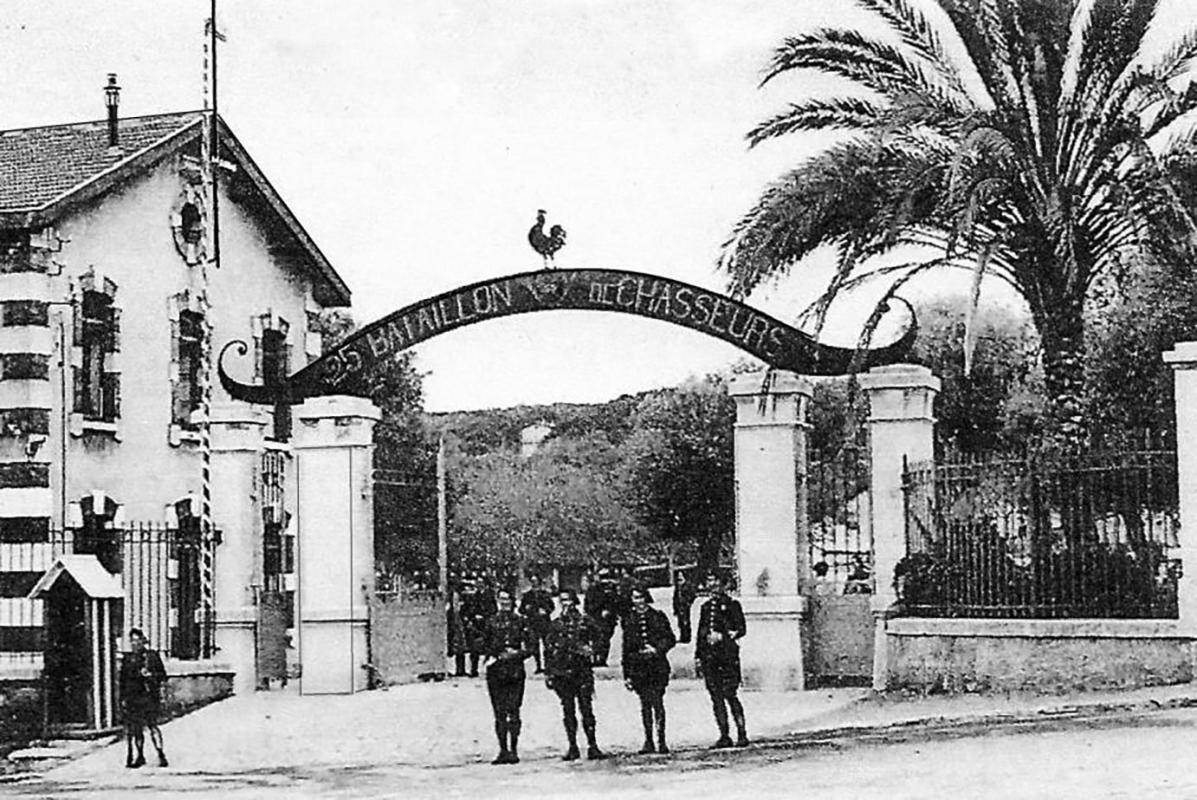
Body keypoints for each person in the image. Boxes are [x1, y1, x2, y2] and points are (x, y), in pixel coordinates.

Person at [544, 588, 607, 761]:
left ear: (575, 602)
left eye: (569, 600)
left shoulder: (585, 621)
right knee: (568, 710)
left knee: (586, 709)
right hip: (562, 672)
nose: (566, 604)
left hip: (582, 671)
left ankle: (592, 745)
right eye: (562, 601)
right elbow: (548, 650)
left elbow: (601, 638)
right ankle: (572, 746)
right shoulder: (555, 624)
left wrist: (593, 650)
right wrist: (549, 673)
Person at [621, 585, 677, 754]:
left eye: (640, 597)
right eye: (634, 598)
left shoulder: (657, 617)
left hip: (657, 666)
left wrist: (657, 649)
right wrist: (627, 675)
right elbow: (626, 649)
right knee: (645, 704)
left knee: (658, 703)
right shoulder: (629, 620)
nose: (638, 601)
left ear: (647, 598)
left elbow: (670, 639)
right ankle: (648, 740)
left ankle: (662, 740)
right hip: (639, 668)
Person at [695, 572, 748, 748]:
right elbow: (700, 634)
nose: (712, 584)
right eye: (709, 580)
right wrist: (698, 657)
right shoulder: (705, 607)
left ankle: (742, 733)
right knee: (716, 697)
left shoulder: (732, 605)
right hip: (710, 658)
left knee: (730, 695)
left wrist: (723, 636)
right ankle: (724, 735)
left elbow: (740, 629)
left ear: (724, 584)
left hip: (727, 657)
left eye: (715, 581)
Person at [482, 589, 533, 765]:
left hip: (515, 671)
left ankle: (514, 749)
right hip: (496, 671)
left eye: (507, 600)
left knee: (514, 709)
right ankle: (503, 749)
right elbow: (482, 643)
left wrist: (516, 654)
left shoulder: (521, 622)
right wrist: (494, 653)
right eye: (501, 600)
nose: (504, 603)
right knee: (499, 711)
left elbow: (531, 647)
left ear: (513, 602)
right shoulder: (491, 622)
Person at [119, 628, 168, 768]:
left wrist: (151, 675)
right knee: (136, 728)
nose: (134, 644)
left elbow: (162, 676)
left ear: (142, 641)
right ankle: (139, 755)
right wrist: (123, 698)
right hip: (133, 698)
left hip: (149, 696)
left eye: (136, 640)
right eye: (132, 641)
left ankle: (161, 754)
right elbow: (123, 680)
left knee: (153, 725)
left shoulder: (151, 656)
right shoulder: (128, 659)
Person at [519, 575, 555, 673]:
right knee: (535, 646)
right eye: (532, 581)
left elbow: (552, 607)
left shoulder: (545, 594)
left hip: (544, 622)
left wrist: (546, 611)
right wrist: (527, 609)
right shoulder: (527, 596)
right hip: (533, 623)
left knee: (547, 645)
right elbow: (521, 609)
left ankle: (548, 666)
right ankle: (538, 666)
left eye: (536, 581)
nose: (534, 583)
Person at [460, 579, 496, 677]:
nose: (479, 586)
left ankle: (490, 669)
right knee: (474, 649)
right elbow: (469, 609)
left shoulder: (489, 596)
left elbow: (493, 610)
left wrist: (484, 616)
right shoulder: (473, 597)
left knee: (489, 648)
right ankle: (473, 669)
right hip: (476, 625)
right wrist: (472, 618)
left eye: (481, 584)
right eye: (477, 584)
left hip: (486, 624)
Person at [583, 570, 617, 666]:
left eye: (606, 577)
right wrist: (586, 613)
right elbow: (587, 603)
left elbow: (615, 603)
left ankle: (602, 659)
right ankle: (594, 659)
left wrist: (609, 610)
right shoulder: (592, 589)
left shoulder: (611, 588)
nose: (604, 580)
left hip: (608, 619)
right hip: (594, 617)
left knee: (605, 639)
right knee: (595, 639)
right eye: (602, 577)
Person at [671, 572, 696, 644]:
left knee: (686, 621)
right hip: (679, 606)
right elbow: (675, 598)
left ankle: (687, 636)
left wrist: (688, 602)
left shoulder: (687, 587)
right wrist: (675, 608)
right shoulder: (677, 588)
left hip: (685, 606)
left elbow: (691, 596)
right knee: (680, 622)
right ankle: (682, 636)